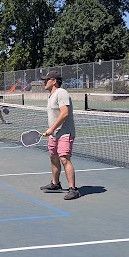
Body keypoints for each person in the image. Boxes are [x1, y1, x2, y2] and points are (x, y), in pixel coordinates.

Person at [39, 70, 80, 200]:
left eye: (47, 79)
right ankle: (55, 184)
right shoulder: (51, 96)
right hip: (54, 135)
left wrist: (52, 128)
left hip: (65, 133)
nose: (44, 82)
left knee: (64, 159)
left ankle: (73, 189)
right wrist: (52, 132)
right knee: (53, 157)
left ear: (54, 81)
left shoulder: (61, 93)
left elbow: (64, 113)